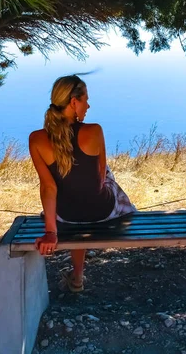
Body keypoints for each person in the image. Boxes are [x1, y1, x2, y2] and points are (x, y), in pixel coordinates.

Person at [28, 75, 135, 292]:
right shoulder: (94, 131)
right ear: (74, 102)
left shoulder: (36, 139)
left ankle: (77, 276)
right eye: (86, 99)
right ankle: (130, 211)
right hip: (102, 210)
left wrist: (51, 232)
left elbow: (48, 188)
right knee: (106, 177)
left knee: (74, 203)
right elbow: (100, 178)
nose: (88, 105)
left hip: (66, 216)